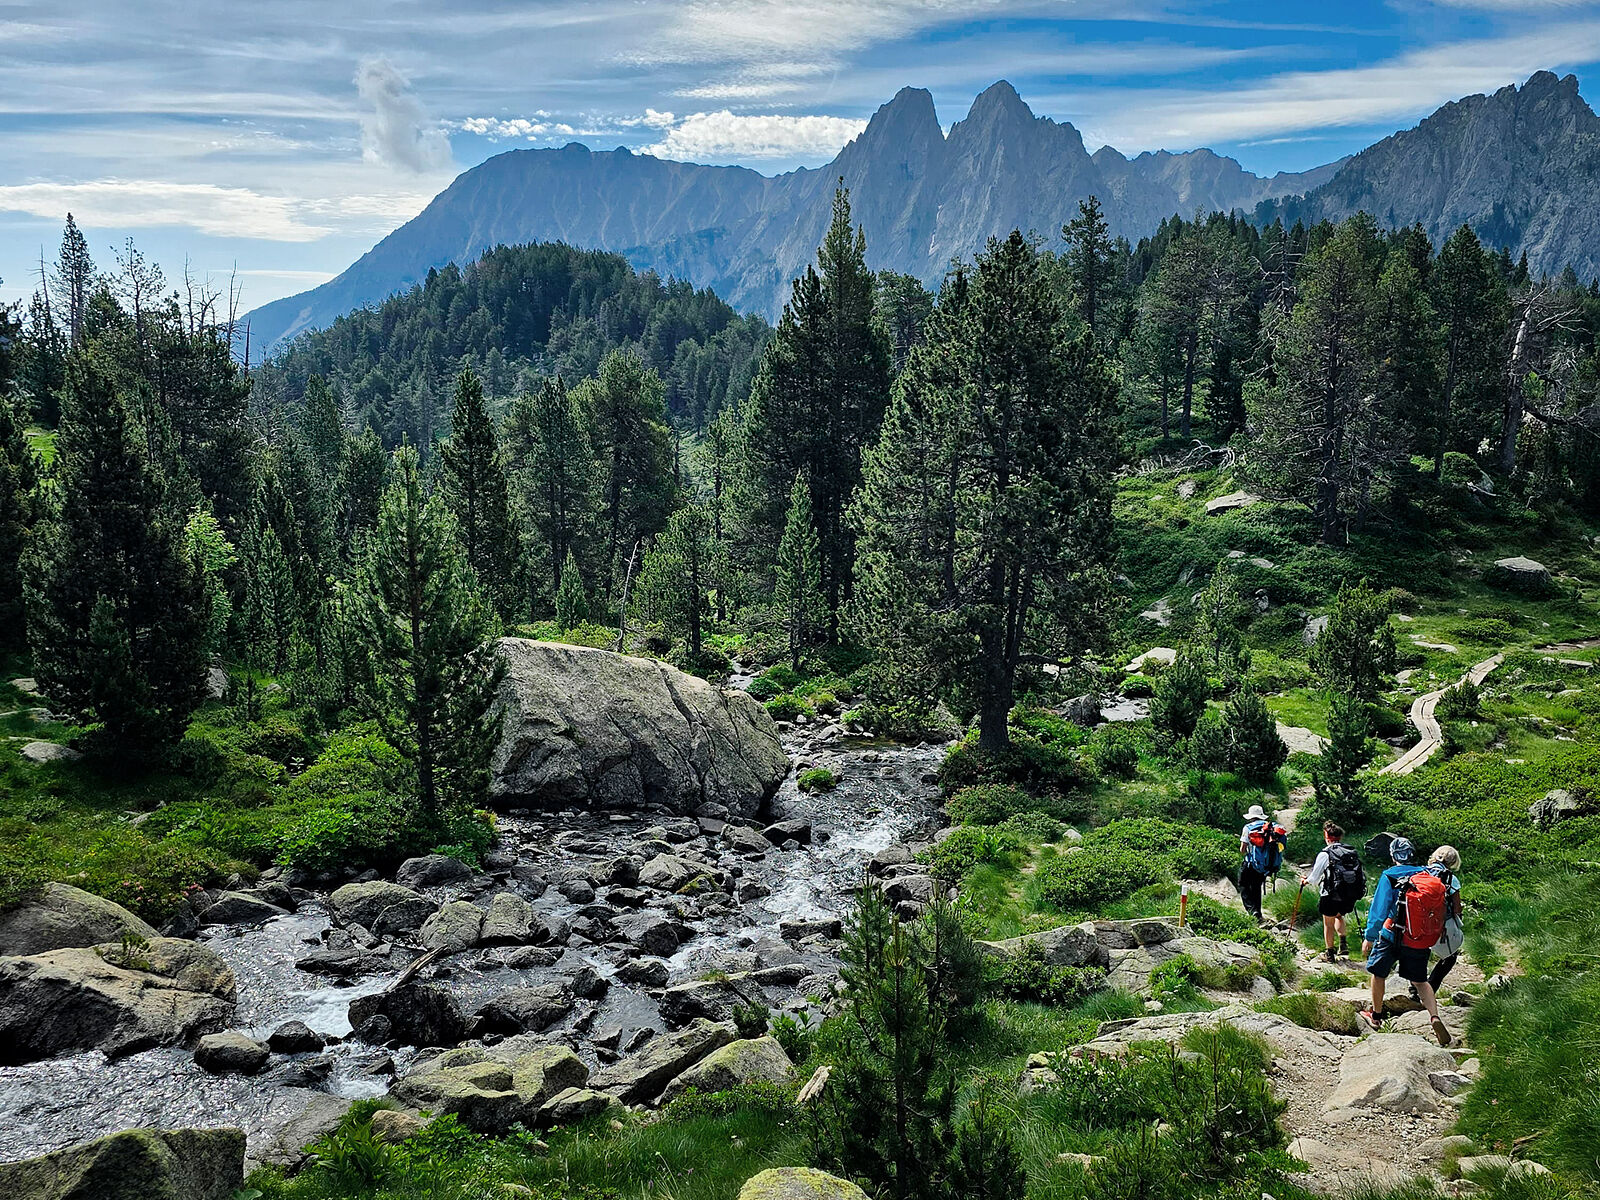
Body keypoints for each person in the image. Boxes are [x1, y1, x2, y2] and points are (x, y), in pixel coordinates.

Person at [1362, 836, 1452, 1045]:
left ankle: (1375, 1016)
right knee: (1420, 981)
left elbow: (1378, 911)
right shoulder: (1426, 874)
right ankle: (1434, 1016)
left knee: (1379, 974)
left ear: (1393, 856)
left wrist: (1369, 937)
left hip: (1391, 934)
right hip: (1417, 937)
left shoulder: (1389, 876)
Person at [1301, 820, 1365, 962]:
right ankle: (1343, 943)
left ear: (1327, 836)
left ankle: (1329, 954)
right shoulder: (1350, 852)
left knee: (1328, 924)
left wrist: (1305, 881)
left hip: (1330, 894)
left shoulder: (1325, 853)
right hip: (1348, 894)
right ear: (1340, 837)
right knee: (1339, 916)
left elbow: (1314, 878)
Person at [1424, 845, 1464, 995]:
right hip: (1441, 923)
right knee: (1450, 956)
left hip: (1417, 921)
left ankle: (1415, 988)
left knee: (1419, 953)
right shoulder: (1451, 879)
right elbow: (1457, 907)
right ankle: (1430, 988)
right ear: (1453, 862)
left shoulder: (1421, 872)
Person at [1238, 804, 1285, 922]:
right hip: (1265, 865)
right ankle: (1258, 913)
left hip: (1250, 863)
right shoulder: (1271, 827)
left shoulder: (1248, 828)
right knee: (1256, 887)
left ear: (1251, 817)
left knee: (1243, 884)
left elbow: (1242, 849)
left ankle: (1252, 910)